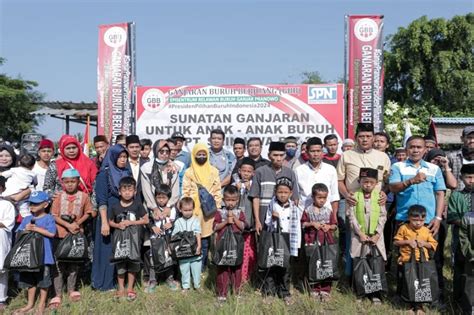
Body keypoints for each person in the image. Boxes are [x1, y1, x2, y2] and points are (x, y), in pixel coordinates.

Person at [389, 135, 447, 307]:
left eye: (419, 147)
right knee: (405, 259)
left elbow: (440, 193)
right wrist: (411, 181)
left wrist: (437, 218)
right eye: (411, 147)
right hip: (405, 221)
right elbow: (393, 187)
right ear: (406, 149)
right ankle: (404, 296)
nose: (415, 150)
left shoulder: (433, 168)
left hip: (429, 221)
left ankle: (434, 297)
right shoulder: (397, 166)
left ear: (424, 149)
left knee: (433, 259)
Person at [337, 123, 390, 277]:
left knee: (376, 238)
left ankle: (375, 276)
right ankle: (353, 277)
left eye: (368, 136)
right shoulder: (347, 156)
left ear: (373, 137)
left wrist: (384, 193)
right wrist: (347, 196)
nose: (365, 139)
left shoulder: (383, 157)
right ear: (356, 138)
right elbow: (339, 180)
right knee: (353, 239)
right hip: (354, 204)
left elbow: (386, 182)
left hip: (376, 205)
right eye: (361, 136)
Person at [50, 169, 94, 308]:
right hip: (60, 234)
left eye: (73, 181)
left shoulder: (84, 196)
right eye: (67, 182)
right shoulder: (58, 197)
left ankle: (71, 289)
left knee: (74, 262)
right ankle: (57, 294)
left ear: (77, 182)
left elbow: (89, 212)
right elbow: (54, 215)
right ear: (62, 183)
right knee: (59, 264)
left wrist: (78, 223)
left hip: (76, 234)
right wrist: (67, 225)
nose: (70, 184)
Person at [92, 144, 132, 291]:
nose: (123, 159)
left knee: (120, 249)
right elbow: (101, 200)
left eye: (125, 157)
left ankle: (118, 281)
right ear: (113, 156)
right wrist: (104, 223)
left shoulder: (127, 172)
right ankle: (103, 283)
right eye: (120, 156)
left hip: (123, 216)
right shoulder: (104, 174)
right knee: (107, 250)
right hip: (107, 217)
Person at [347, 168, 387, 304]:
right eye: (365, 182)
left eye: (371, 182)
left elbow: (383, 216)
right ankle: (361, 292)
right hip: (359, 237)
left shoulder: (379, 197)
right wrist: (360, 233)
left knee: (375, 262)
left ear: (376, 183)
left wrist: (377, 234)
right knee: (359, 262)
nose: (368, 185)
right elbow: (351, 216)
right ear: (359, 181)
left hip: (376, 237)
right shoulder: (354, 196)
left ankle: (375, 293)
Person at [13, 191, 56, 315]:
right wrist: (25, 229)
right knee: (29, 281)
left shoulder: (49, 218)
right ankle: (30, 304)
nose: (32, 206)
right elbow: (18, 234)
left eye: (36, 204)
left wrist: (37, 229)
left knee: (43, 281)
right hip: (29, 257)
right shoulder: (27, 219)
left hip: (44, 256)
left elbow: (52, 233)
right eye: (31, 203)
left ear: (45, 204)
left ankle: (42, 304)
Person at [108, 176, 149, 301]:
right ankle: (120, 288)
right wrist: (118, 225)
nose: (127, 193)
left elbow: (146, 220)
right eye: (124, 190)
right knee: (120, 263)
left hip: (135, 240)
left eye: (130, 190)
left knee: (133, 263)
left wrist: (132, 223)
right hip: (119, 240)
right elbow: (110, 222)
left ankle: (130, 288)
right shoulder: (115, 207)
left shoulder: (138, 205)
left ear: (135, 191)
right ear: (119, 191)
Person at [182, 143, 221, 271]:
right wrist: (187, 208)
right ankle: (193, 265)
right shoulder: (189, 172)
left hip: (209, 211)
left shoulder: (213, 171)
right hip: (194, 210)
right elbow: (185, 192)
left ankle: (204, 265)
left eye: (204, 154)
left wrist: (217, 208)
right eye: (199, 154)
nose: (201, 156)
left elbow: (217, 191)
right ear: (194, 155)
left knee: (207, 240)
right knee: (195, 238)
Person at [393, 205, 438, 315]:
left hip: (422, 262)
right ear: (409, 218)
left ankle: (419, 306)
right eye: (415, 220)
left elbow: (433, 244)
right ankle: (409, 305)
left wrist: (424, 244)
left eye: (422, 220)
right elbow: (396, 242)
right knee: (407, 283)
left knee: (421, 284)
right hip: (406, 262)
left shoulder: (426, 230)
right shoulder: (403, 228)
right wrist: (407, 242)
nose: (418, 223)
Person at [263, 177, 300, 305]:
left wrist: (296, 247)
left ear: (290, 193)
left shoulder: (294, 207)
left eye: (285, 192)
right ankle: (269, 292)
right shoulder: (272, 204)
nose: (282, 195)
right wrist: (273, 218)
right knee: (271, 266)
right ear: (275, 192)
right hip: (273, 241)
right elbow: (267, 222)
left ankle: (284, 292)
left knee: (285, 269)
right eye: (280, 192)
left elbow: (296, 228)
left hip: (287, 242)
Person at [251, 141, 299, 235]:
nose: (278, 158)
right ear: (269, 156)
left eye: (281, 155)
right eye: (275, 155)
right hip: (263, 219)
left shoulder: (290, 173)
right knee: (265, 247)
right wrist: (257, 220)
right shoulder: (260, 172)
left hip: (285, 223)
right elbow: (255, 198)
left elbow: (295, 200)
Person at [301, 183, 337, 302]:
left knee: (326, 265)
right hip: (312, 242)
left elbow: (334, 225)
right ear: (313, 197)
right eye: (319, 197)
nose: (322, 200)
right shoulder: (308, 210)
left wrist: (328, 227)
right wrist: (312, 224)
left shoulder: (329, 211)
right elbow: (303, 223)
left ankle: (325, 290)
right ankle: (314, 289)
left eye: (324, 198)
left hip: (326, 243)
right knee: (313, 265)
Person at [214, 185, 246, 303]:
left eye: (233, 200)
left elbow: (243, 226)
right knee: (223, 268)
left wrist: (234, 219)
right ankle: (222, 293)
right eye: (228, 200)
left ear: (237, 200)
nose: (230, 203)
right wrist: (226, 221)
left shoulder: (239, 212)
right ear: (223, 199)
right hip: (223, 244)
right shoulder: (220, 212)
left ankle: (237, 292)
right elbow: (215, 227)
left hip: (236, 244)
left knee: (236, 268)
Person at [447, 164, 474, 302]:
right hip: (460, 239)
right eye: (468, 177)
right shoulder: (456, 195)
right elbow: (452, 217)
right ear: (462, 178)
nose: (472, 180)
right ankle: (458, 300)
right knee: (460, 268)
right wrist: (468, 223)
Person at [144, 184, 178, 293]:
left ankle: (169, 278)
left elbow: (177, 220)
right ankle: (153, 280)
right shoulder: (152, 210)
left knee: (169, 259)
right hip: (156, 240)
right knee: (153, 259)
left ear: (168, 198)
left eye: (164, 198)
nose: (161, 200)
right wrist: (153, 227)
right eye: (159, 197)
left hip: (168, 239)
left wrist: (171, 224)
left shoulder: (172, 209)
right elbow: (147, 221)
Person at [295, 137, 339, 215]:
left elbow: (334, 195)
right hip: (304, 216)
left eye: (318, 151)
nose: (315, 154)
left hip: (326, 216)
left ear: (322, 151)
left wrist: (334, 217)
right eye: (312, 151)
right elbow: (296, 197)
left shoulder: (330, 169)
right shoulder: (298, 170)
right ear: (307, 152)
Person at [232, 157, 256, 282]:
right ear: (239, 171)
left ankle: (247, 277)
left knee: (249, 251)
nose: (246, 173)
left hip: (249, 225)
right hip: (236, 225)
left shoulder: (254, 185)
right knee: (237, 249)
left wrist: (249, 189)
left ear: (253, 173)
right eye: (244, 170)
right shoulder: (234, 184)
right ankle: (236, 275)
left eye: (249, 171)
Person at [172, 197, 202, 292]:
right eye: (185, 210)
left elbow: (198, 233)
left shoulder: (196, 220)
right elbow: (174, 236)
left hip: (194, 249)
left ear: (193, 209)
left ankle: (197, 285)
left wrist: (199, 246)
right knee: (184, 269)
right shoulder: (178, 221)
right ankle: (185, 286)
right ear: (180, 210)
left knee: (196, 269)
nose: (188, 212)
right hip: (183, 251)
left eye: (190, 210)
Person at [141, 139, 180, 212]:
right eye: (161, 152)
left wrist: (168, 206)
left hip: (170, 208)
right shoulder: (146, 168)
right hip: (151, 208)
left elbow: (175, 190)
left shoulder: (174, 168)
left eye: (167, 152)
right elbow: (146, 191)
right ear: (156, 152)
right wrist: (155, 208)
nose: (164, 154)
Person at [1, 154, 37, 219]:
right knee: (25, 211)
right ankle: (28, 222)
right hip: (23, 197)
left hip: (7, 194)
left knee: (10, 212)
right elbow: (35, 183)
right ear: (33, 166)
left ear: (19, 162)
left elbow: (2, 175)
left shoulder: (14, 170)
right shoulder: (33, 174)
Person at [0, 177, 15, 311]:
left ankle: (1, 299)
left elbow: (6, 223)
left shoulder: (7, 205)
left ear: (3, 189)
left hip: (1, 241)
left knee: (1, 271)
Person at [458, 202, 474, 314]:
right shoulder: (467, 217)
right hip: (472, 259)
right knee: (471, 284)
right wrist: (471, 255)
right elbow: (463, 239)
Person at [447, 126, 474, 191]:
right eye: (469, 137)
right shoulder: (452, 157)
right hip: (458, 197)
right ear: (462, 138)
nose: (472, 140)